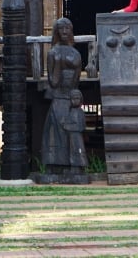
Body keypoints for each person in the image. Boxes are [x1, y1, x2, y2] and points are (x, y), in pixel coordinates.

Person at [41, 18, 88, 177]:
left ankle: (75, 165)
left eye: (68, 29)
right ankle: (54, 165)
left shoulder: (75, 53)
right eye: (61, 29)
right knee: (55, 132)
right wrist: (59, 64)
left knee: (73, 135)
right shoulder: (53, 53)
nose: (65, 32)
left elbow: (76, 79)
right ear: (57, 32)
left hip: (70, 97)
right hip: (58, 95)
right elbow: (53, 81)